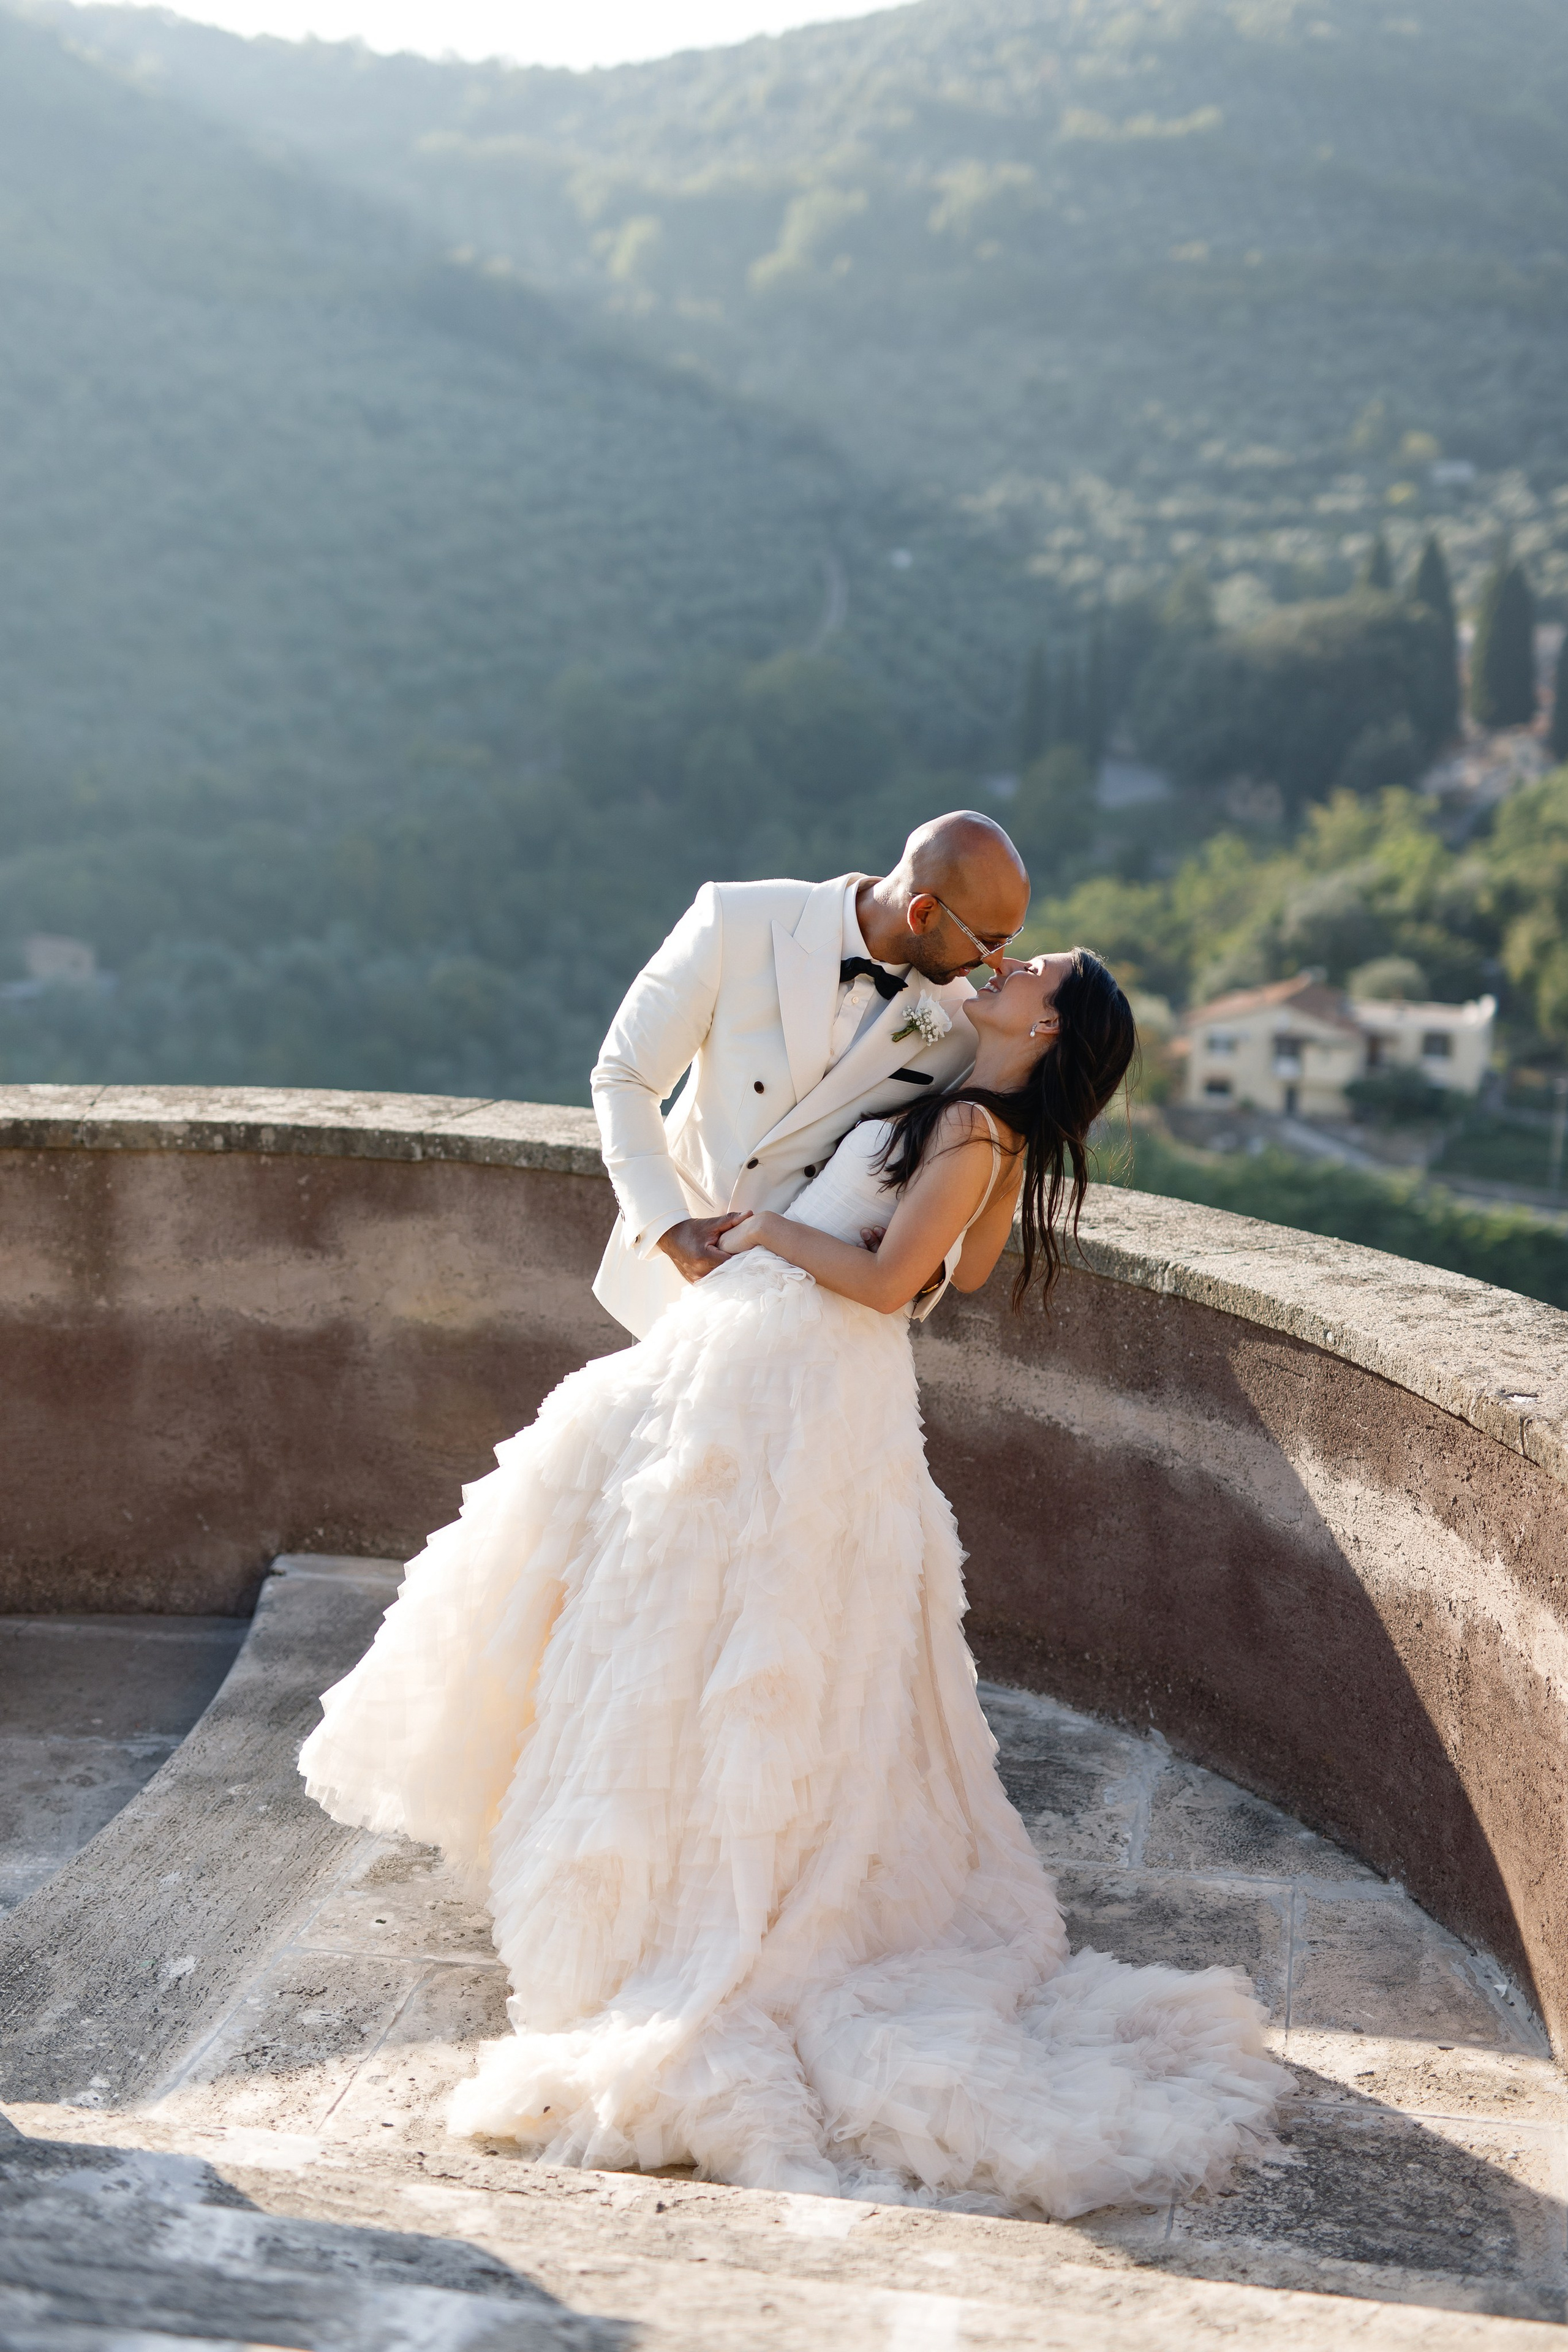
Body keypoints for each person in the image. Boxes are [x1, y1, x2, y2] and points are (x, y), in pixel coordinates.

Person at [298, 919, 1288, 2218]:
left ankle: (703, 1899)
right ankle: (682, 1857)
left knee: (731, 1615)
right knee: (707, 1609)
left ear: (1043, 1030)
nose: (1011, 965)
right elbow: (968, 1263)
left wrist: (766, 1230)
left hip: (799, 1365)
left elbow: (888, 1284)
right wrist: (956, 1174)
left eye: (1034, 973)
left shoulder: (974, 1130)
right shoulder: (975, 1118)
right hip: (779, 1363)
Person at [589, 812, 1030, 1338]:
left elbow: (956, 1174)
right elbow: (625, 1075)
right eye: (984, 941)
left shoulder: (962, 1022)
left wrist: (925, 1264)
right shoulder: (735, 918)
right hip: (668, 1275)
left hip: (806, 1315)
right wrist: (669, 1229)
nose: (996, 962)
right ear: (924, 912)